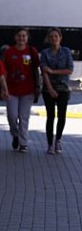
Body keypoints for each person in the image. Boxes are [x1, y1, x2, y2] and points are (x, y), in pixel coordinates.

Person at [2, 28, 39, 153]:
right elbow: (4, 72)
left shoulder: (32, 51)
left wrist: (37, 87)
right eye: (19, 36)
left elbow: (36, 71)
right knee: (12, 116)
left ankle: (23, 143)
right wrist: (3, 88)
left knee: (24, 117)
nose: (21, 38)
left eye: (24, 36)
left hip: (28, 90)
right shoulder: (9, 52)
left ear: (27, 38)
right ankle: (15, 135)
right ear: (15, 37)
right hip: (11, 90)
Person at [39, 27, 74, 155]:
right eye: (51, 36)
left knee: (62, 116)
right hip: (49, 89)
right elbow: (44, 71)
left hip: (63, 88)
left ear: (60, 38)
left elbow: (69, 69)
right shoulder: (45, 53)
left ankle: (58, 139)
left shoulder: (66, 51)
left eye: (56, 36)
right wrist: (50, 89)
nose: (54, 39)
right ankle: (49, 144)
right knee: (50, 116)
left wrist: (53, 71)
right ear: (48, 39)